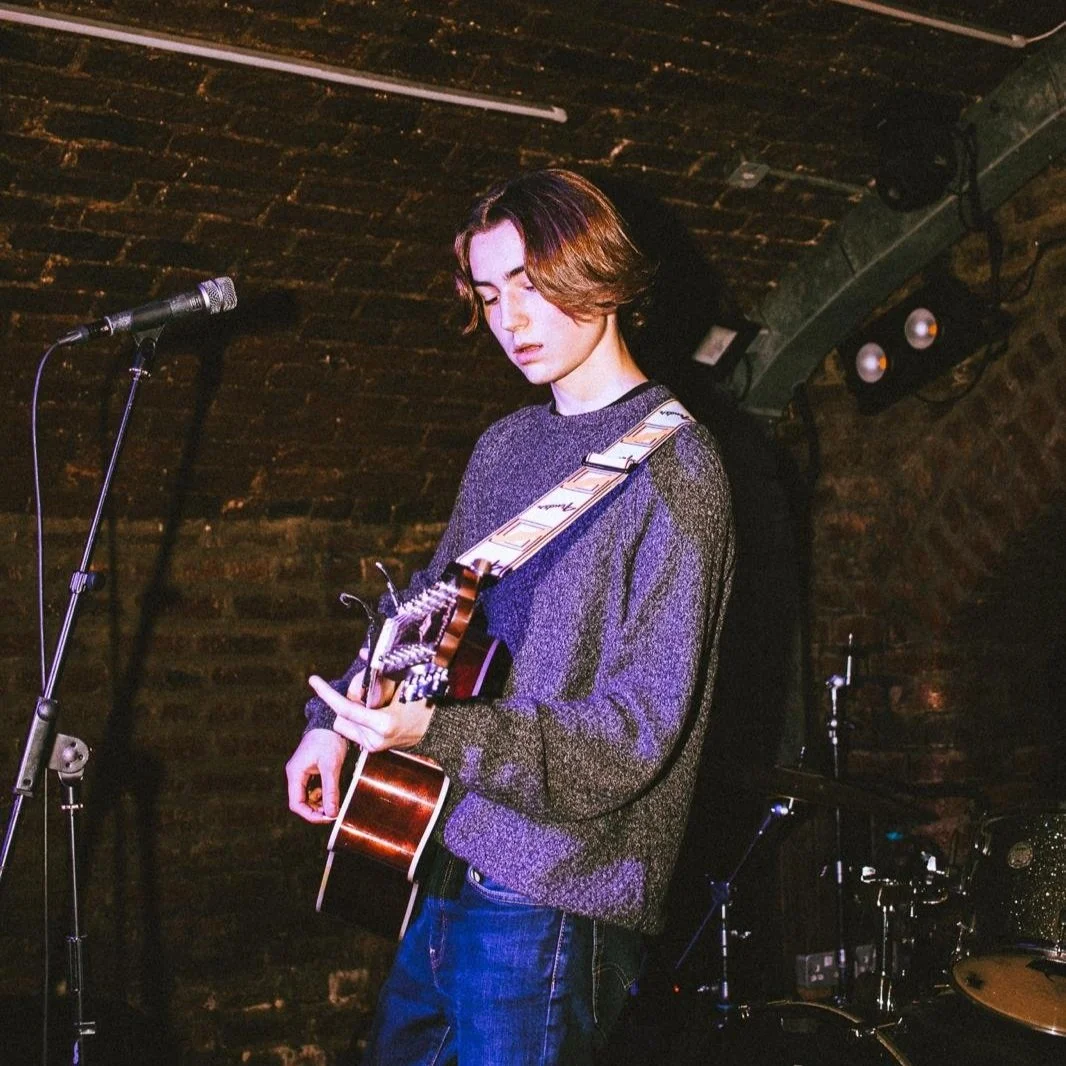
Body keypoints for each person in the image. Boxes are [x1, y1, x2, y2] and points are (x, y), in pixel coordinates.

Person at [285, 168, 736, 1065]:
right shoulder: (508, 447)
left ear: (600, 276)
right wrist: (334, 721)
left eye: (530, 286)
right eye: (490, 295)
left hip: (558, 888)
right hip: (446, 845)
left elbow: (634, 735)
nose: (508, 320)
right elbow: (430, 609)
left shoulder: (679, 472)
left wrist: (439, 737)